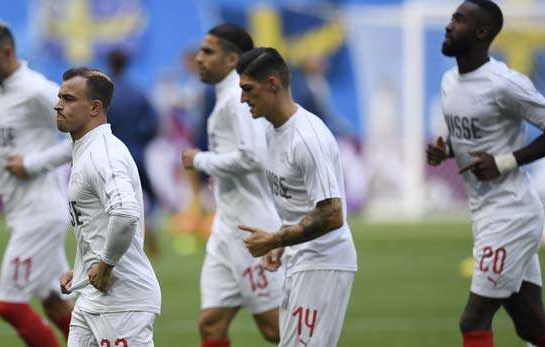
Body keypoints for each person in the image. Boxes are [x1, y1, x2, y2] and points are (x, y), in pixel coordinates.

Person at [426, 1, 545, 346]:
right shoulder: (449, 82)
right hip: (485, 215)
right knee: (532, 325)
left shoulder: (504, 83)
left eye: (460, 19)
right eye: (452, 17)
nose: (450, 25)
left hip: (512, 214)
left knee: (473, 320)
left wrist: (505, 161)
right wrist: (448, 150)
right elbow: (475, 136)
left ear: (482, 33)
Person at [236, 47, 358, 347]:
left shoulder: (307, 138)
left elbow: (332, 213)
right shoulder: (272, 131)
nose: (242, 99)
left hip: (324, 263)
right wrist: (283, 239)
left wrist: (277, 239)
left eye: (248, 89)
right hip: (301, 260)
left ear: (273, 83)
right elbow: (299, 201)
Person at [0, 19, 73, 347]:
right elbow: (10, 144)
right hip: (22, 213)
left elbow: (83, 136)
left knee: (10, 306)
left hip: (40, 214)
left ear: (8, 52)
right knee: (55, 303)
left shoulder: (36, 89)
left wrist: (32, 164)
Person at [181, 24, 284, 346]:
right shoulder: (223, 98)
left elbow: (252, 156)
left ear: (232, 59)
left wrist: (201, 160)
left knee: (275, 329)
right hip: (227, 228)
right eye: (200, 51)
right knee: (211, 324)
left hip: (252, 229)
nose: (199, 58)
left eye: (209, 52)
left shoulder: (238, 99)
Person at [55, 67, 161, 346]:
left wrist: (105, 266)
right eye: (59, 97)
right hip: (92, 298)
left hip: (122, 301)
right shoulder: (86, 151)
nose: (58, 104)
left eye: (68, 98)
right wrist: (81, 269)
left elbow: (125, 214)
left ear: (94, 107)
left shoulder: (104, 154)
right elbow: (95, 224)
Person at [106, 49, 160, 257]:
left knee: (112, 200)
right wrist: (141, 141)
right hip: (136, 154)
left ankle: (120, 244)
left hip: (110, 157)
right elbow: (153, 125)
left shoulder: (104, 96)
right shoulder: (138, 93)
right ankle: (149, 227)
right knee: (149, 196)